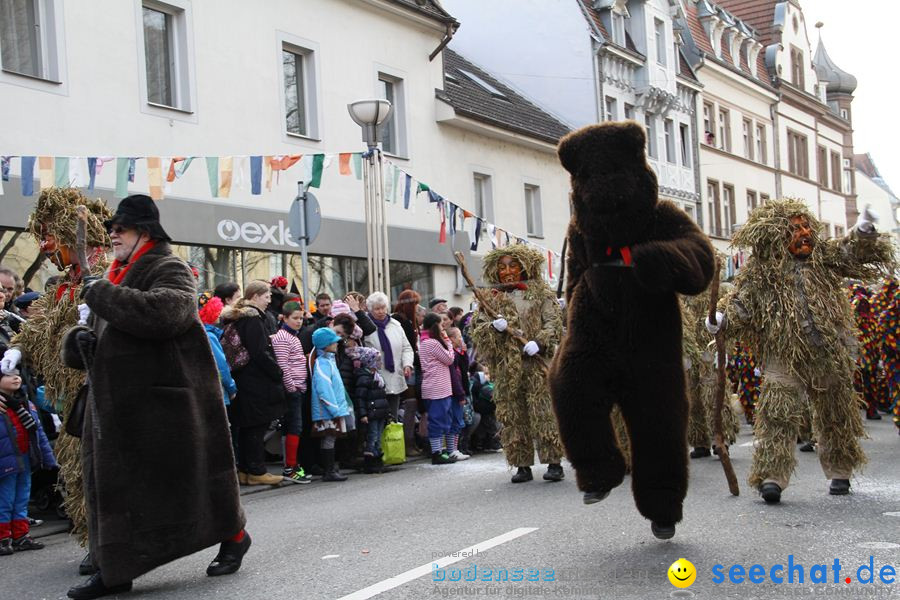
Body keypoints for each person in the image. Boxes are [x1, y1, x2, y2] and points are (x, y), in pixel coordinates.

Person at [60, 194, 249, 599]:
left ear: (143, 231)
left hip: (164, 404)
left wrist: (101, 295)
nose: (112, 234)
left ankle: (234, 535)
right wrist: (78, 342)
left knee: (189, 482)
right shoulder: (115, 272)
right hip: (117, 403)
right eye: (111, 228)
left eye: (120, 228)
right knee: (116, 488)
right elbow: (108, 332)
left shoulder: (168, 266)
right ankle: (116, 568)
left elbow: (168, 312)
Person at [708, 200, 894, 503]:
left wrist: (863, 230)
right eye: (795, 229)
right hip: (784, 355)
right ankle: (771, 477)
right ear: (776, 235)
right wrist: (721, 320)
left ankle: (839, 472)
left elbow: (852, 252)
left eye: (806, 227)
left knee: (836, 414)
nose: (805, 233)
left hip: (828, 353)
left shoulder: (823, 257)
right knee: (777, 415)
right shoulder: (761, 272)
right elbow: (742, 305)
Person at [1, 188, 112, 574]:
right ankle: (95, 543)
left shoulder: (110, 279)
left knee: (104, 474)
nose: (49, 252)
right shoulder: (62, 286)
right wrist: (17, 349)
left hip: (104, 394)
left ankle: (115, 544)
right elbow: (38, 327)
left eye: (55, 244)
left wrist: (101, 310)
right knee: (76, 475)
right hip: (68, 401)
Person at [470, 246, 566, 484]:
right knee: (513, 416)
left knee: (543, 413)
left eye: (512, 266)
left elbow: (553, 323)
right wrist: (493, 327)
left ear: (524, 267)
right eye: (502, 267)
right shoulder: (489, 297)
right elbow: (477, 330)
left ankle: (554, 462)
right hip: (506, 367)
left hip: (536, 362)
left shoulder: (541, 293)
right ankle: (522, 464)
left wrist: (539, 342)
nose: (508, 272)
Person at [219, 280, 286, 487]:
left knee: (248, 427)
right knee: (256, 426)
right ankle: (256, 470)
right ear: (255, 296)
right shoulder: (253, 319)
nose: (269, 301)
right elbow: (259, 352)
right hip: (255, 381)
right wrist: (277, 371)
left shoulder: (239, 317)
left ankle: (245, 470)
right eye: (267, 296)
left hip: (244, 378)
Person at [0, 370, 57, 555]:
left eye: (17, 374)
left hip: (24, 459)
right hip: (5, 462)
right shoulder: (3, 407)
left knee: (21, 500)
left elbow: (38, 434)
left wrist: (49, 459)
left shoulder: (26, 404)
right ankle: (3, 538)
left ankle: (21, 536)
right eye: (8, 375)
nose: (16, 378)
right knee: (5, 501)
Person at [270, 301, 311, 484]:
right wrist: (292, 387)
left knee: (295, 428)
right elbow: (283, 366)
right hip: (291, 389)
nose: (299, 322)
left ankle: (293, 465)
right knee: (294, 427)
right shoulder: (282, 338)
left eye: (301, 318)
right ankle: (290, 467)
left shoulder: (293, 337)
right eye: (294, 318)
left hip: (298, 387)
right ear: (284, 318)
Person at [364, 292, 414, 423]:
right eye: (377, 308)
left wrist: (407, 364)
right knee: (378, 421)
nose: (381, 311)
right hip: (376, 379)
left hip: (395, 377)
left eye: (383, 307)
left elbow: (406, 348)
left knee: (393, 419)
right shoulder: (367, 328)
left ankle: (392, 444)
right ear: (370, 309)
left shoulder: (396, 325)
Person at [310, 327, 351, 482]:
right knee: (329, 438)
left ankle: (330, 468)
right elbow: (324, 389)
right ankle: (329, 470)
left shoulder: (328, 361)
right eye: (333, 342)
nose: (336, 344)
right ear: (325, 345)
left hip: (331, 409)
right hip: (328, 410)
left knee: (331, 438)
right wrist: (334, 409)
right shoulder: (323, 363)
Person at [419, 313, 456, 465]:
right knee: (437, 421)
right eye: (441, 325)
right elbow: (449, 359)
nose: (443, 328)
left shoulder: (426, 341)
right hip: (437, 389)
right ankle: (436, 453)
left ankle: (445, 451)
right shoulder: (431, 343)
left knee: (445, 420)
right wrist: (448, 341)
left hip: (439, 387)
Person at [347, 345, 389, 473]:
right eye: (378, 360)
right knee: (373, 436)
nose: (380, 363)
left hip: (379, 412)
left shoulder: (377, 377)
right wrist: (363, 414)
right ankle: (370, 460)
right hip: (371, 413)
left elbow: (382, 396)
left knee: (378, 436)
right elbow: (360, 398)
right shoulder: (364, 378)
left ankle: (377, 457)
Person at [391, 289, 422, 456]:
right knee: (409, 405)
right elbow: (405, 347)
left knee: (411, 406)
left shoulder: (407, 321)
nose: (417, 307)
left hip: (409, 365)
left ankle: (410, 442)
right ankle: (406, 444)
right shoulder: (399, 321)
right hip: (404, 368)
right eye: (415, 304)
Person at [197, 293, 237, 406]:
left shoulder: (200, 333)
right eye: (216, 310)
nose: (219, 314)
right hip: (217, 392)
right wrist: (232, 387)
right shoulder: (210, 336)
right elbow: (221, 367)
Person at [447, 327, 471, 461]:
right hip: (455, 392)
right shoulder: (452, 355)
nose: (461, 339)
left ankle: (455, 449)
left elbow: (465, 367)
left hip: (460, 390)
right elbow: (456, 376)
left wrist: (464, 353)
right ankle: (451, 449)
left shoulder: (458, 353)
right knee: (454, 421)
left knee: (458, 421)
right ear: (451, 339)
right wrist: (460, 393)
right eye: (458, 337)